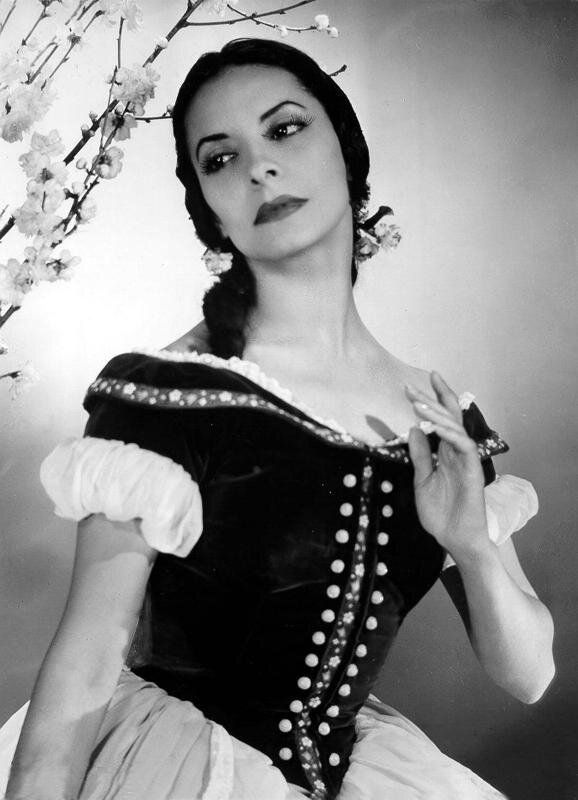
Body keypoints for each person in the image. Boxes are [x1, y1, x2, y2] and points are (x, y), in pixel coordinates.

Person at [0, 38, 555, 800]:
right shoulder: (169, 396)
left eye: (285, 129)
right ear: (209, 211)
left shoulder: (438, 414)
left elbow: (530, 675)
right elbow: (85, 669)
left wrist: (472, 545)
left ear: (346, 150)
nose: (259, 167)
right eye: (221, 158)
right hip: (175, 774)